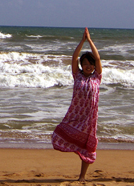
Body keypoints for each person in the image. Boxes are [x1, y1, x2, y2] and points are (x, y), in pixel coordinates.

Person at [51, 27, 102, 182]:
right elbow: (73, 58)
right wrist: (82, 41)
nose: (88, 66)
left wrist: (90, 41)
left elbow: (98, 59)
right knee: (61, 133)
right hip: (76, 115)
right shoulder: (77, 75)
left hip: (90, 118)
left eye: (90, 64)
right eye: (85, 64)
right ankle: (76, 151)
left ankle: (82, 176)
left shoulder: (97, 78)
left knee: (87, 146)